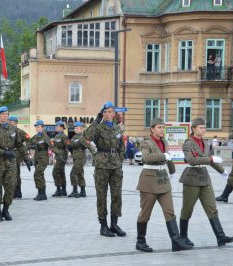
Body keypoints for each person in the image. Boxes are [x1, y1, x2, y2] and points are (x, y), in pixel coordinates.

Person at [136, 118, 192, 253]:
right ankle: (140, 241)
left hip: (163, 181)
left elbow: (169, 157)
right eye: (159, 127)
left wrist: (172, 170)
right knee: (145, 214)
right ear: (152, 129)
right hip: (149, 182)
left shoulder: (164, 142)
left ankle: (176, 242)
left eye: (163, 127)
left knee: (170, 212)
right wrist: (163, 156)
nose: (162, 130)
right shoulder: (146, 142)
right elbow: (147, 158)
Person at [179, 118, 233, 247]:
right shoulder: (187, 144)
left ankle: (220, 237)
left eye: (204, 127)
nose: (203, 130)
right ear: (193, 129)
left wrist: (223, 172)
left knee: (212, 208)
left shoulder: (205, 143)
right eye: (201, 127)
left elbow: (211, 161)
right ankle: (183, 237)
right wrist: (210, 158)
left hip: (204, 178)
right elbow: (192, 160)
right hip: (192, 178)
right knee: (187, 209)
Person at [84, 101, 126, 237]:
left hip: (116, 166)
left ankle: (114, 224)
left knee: (117, 195)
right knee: (101, 196)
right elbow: (86, 137)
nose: (107, 114)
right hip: (102, 164)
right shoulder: (98, 127)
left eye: (110, 112)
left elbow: (121, 146)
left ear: (113, 113)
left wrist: (120, 160)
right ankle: (103, 226)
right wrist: (96, 121)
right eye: (105, 112)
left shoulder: (117, 128)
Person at [0, 106, 32, 222]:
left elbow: (20, 145)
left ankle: (6, 209)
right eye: (3, 114)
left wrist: (27, 159)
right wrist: (3, 152)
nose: (5, 116)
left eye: (6, 114)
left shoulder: (13, 129)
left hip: (11, 161)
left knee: (11, 185)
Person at [67, 121, 94, 198]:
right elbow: (72, 146)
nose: (75, 129)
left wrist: (95, 155)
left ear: (81, 129)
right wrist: (70, 147)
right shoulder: (74, 137)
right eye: (74, 128)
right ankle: (83, 191)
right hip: (75, 157)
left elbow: (89, 146)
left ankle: (75, 191)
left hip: (80, 158)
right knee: (80, 174)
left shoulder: (82, 137)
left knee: (73, 173)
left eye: (77, 128)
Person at [28, 120, 53, 201]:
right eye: (36, 127)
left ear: (43, 127)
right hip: (37, 158)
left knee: (37, 174)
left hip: (44, 158)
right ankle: (41, 193)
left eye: (39, 127)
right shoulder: (34, 137)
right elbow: (27, 145)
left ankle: (42, 192)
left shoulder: (46, 137)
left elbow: (52, 146)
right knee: (40, 175)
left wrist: (59, 155)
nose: (37, 128)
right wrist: (32, 146)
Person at [8, 116, 31, 199]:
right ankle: (14, 191)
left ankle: (17, 191)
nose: (10, 123)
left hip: (17, 154)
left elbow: (29, 140)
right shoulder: (7, 131)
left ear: (16, 123)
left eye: (11, 122)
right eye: (9, 122)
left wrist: (25, 148)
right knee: (11, 173)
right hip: (9, 153)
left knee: (16, 173)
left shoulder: (20, 131)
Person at [51, 121, 69, 196]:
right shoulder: (57, 136)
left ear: (62, 127)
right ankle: (63, 190)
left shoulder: (64, 136)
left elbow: (68, 145)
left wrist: (67, 155)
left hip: (62, 155)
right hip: (58, 155)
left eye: (57, 126)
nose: (56, 128)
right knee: (61, 172)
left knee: (55, 172)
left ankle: (59, 189)